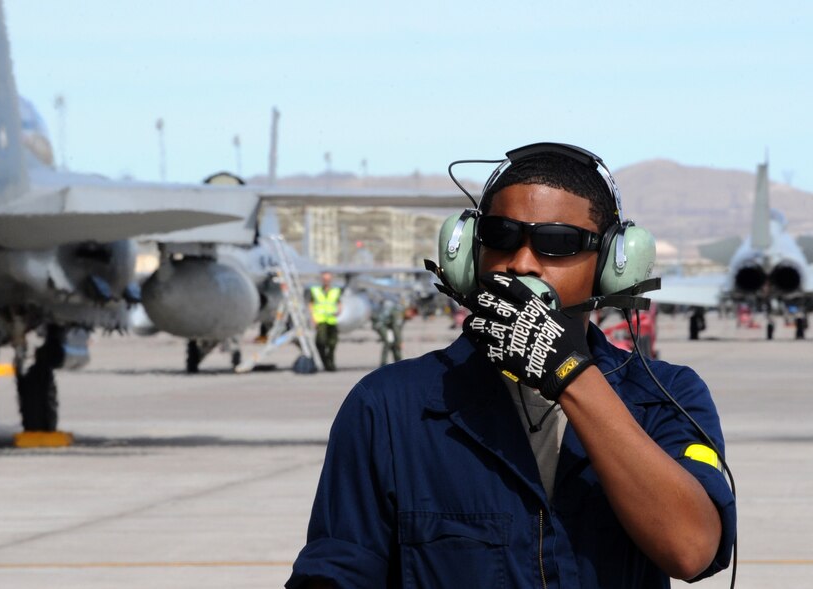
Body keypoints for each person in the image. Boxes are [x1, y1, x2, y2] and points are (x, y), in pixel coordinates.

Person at [287, 143, 736, 588]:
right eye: (500, 236)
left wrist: (571, 375)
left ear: (612, 265)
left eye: (557, 243)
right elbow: (336, 572)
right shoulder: (390, 406)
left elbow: (692, 549)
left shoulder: (664, 395)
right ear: (468, 255)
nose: (521, 262)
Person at [309, 272, 342, 371]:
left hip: (331, 320)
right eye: (324, 279)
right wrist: (312, 317)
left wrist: (339, 311)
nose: (326, 281)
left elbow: (339, 302)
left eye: (328, 279)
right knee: (320, 342)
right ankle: (325, 362)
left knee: (332, 343)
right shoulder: (315, 290)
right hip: (321, 320)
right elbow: (311, 303)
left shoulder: (335, 290)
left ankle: (330, 363)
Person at [371, 297, 405, 366]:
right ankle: (384, 364)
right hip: (380, 324)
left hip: (386, 325)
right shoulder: (397, 312)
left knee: (393, 342)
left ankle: (399, 362)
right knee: (389, 341)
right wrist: (399, 341)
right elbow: (396, 329)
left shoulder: (397, 310)